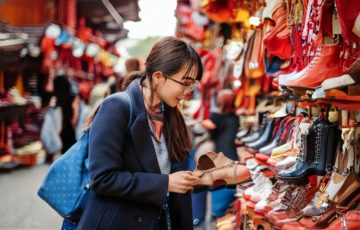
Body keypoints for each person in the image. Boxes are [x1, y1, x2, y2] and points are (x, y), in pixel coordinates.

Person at [77, 37, 203, 230]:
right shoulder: (116, 107)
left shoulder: (172, 116)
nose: (188, 91)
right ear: (158, 77)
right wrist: (165, 183)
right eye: (185, 82)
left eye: (192, 84)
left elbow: (179, 190)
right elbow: (102, 179)